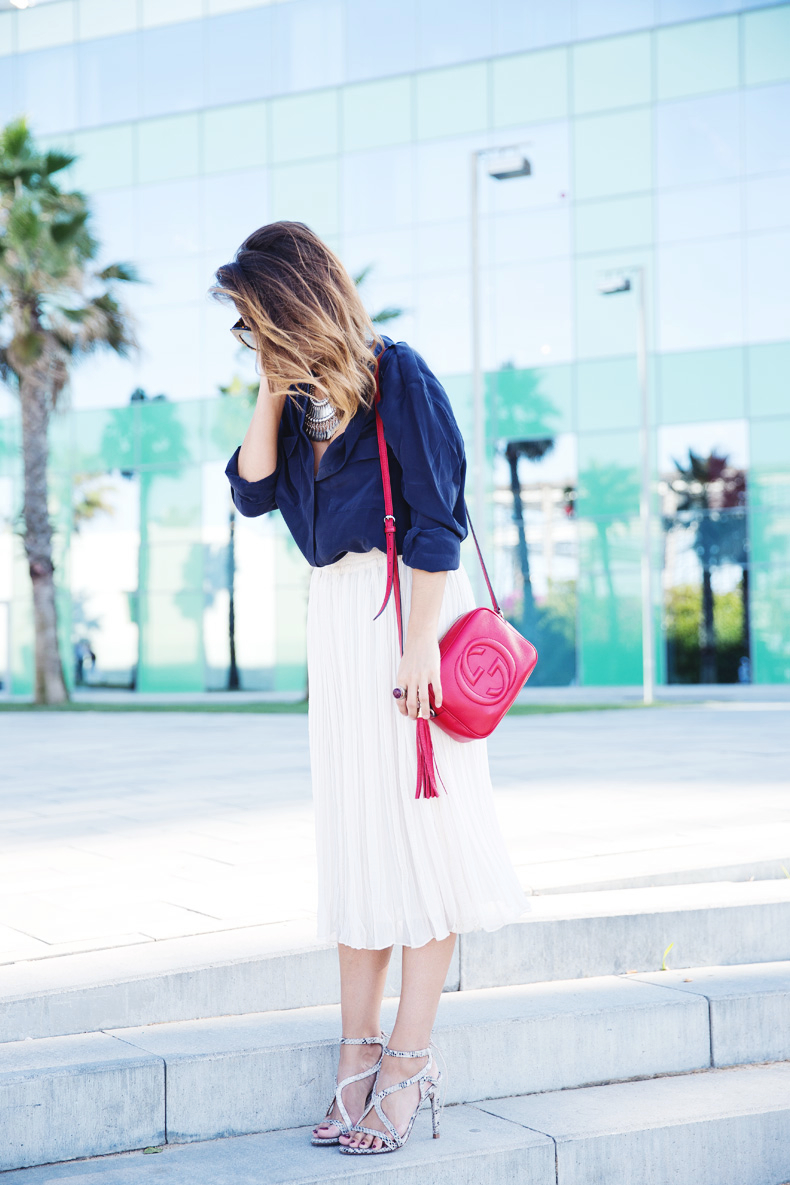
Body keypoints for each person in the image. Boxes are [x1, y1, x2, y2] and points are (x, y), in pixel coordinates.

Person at [212, 221, 530, 1156]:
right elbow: (252, 491)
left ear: (294, 298)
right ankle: (354, 1051)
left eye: (255, 318)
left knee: (424, 846)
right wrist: (271, 384)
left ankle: (409, 1059)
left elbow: (438, 519)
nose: (247, 335)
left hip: (406, 622)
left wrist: (421, 647)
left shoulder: (402, 376)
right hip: (339, 631)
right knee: (359, 844)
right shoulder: (302, 400)